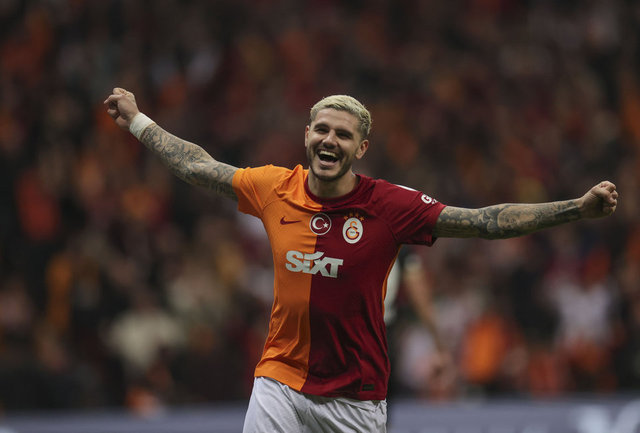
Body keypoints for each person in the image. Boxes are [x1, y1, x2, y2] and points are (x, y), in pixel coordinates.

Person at [104, 87, 618, 432]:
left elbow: (484, 221)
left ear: (361, 147)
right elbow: (199, 167)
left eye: (343, 134)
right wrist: (138, 121)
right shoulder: (274, 187)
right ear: (307, 135)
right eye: (322, 130)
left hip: (356, 397)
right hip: (280, 379)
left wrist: (576, 209)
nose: (329, 140)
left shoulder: (390, 206)